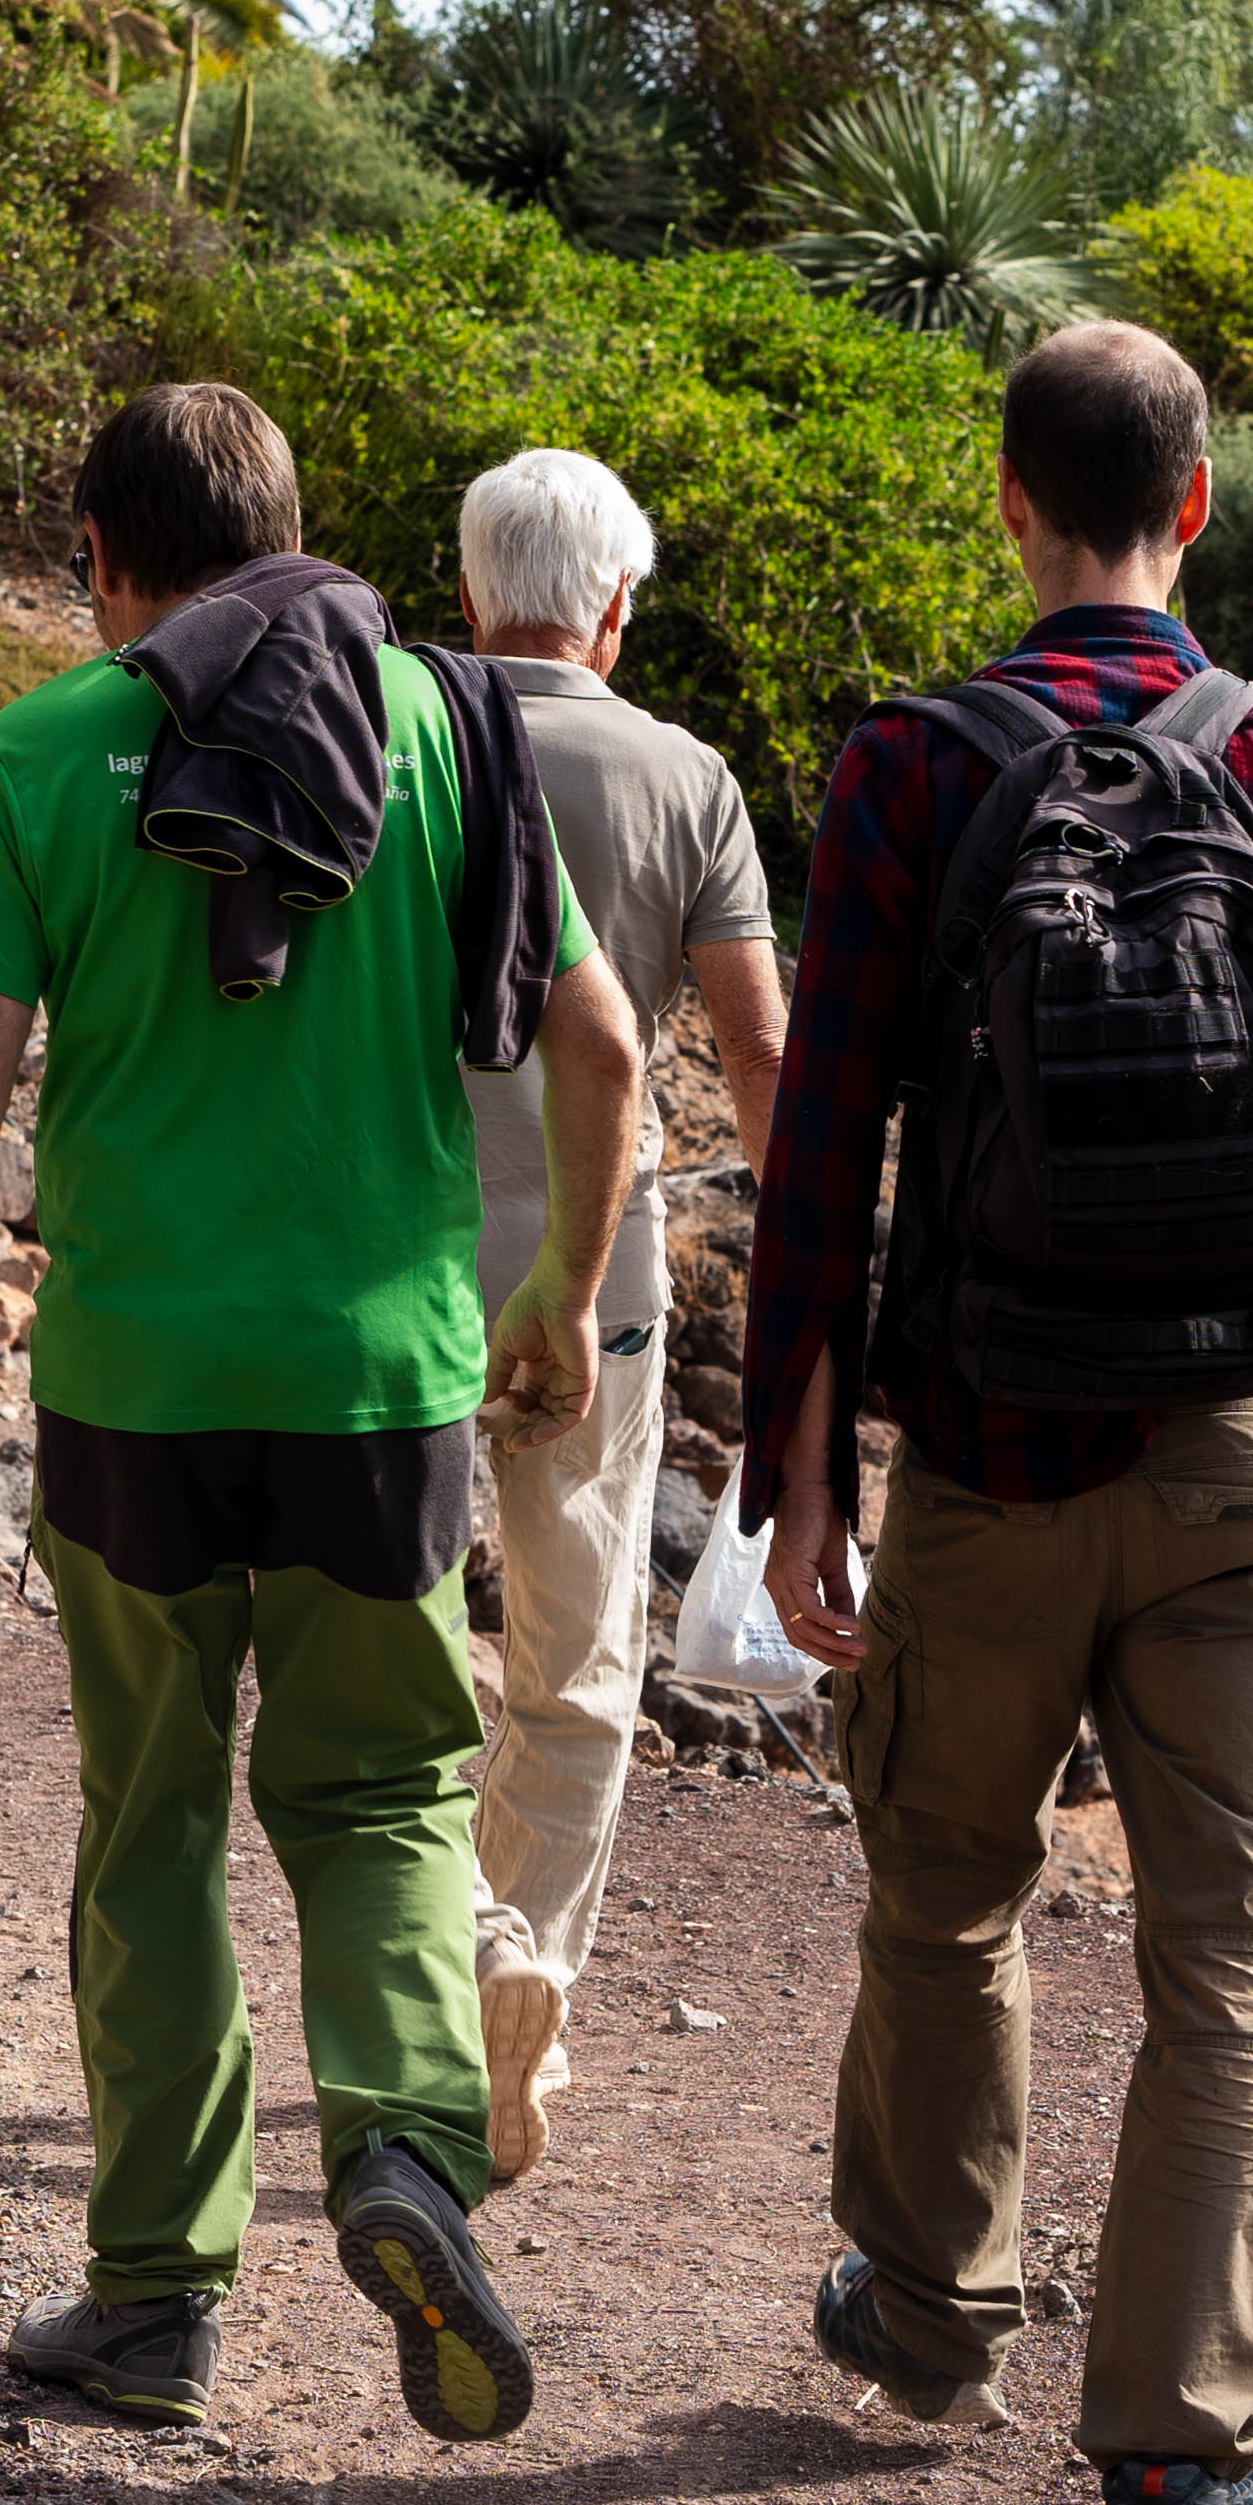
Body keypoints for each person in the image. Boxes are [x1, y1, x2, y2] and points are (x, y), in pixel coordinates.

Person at [741, 317, 1253, 2505]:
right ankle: (1176, 2454)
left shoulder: (910, 767)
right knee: (1224, 1953)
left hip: (987, 1448)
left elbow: (824, 1142)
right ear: (1196, 506)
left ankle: (928, 2308)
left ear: (1008, 498)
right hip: (1248, 1459)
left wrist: (799, 1467)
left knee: (944, 1881)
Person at [0, 384, 652, 2445]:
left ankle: (153, 2295)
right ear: (291, 531)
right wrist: (553, 1289)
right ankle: (398, 2145)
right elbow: (604, 1044)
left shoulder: (38, 751)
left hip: (133, 1379)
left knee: (153, 1823)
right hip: (383, 1381)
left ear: (104, 558)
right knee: (381, 1796)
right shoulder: (446, 729)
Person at [446, 446, 790, 2180]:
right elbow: (758, 1044)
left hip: (406, 1273)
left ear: (467, 588)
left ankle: (442, 1959)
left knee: (405, 1642)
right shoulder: (684, 773)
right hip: (602, 1284)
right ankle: (528, 1957)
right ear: (618, 607)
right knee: (576, 1664)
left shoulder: (401, 732)